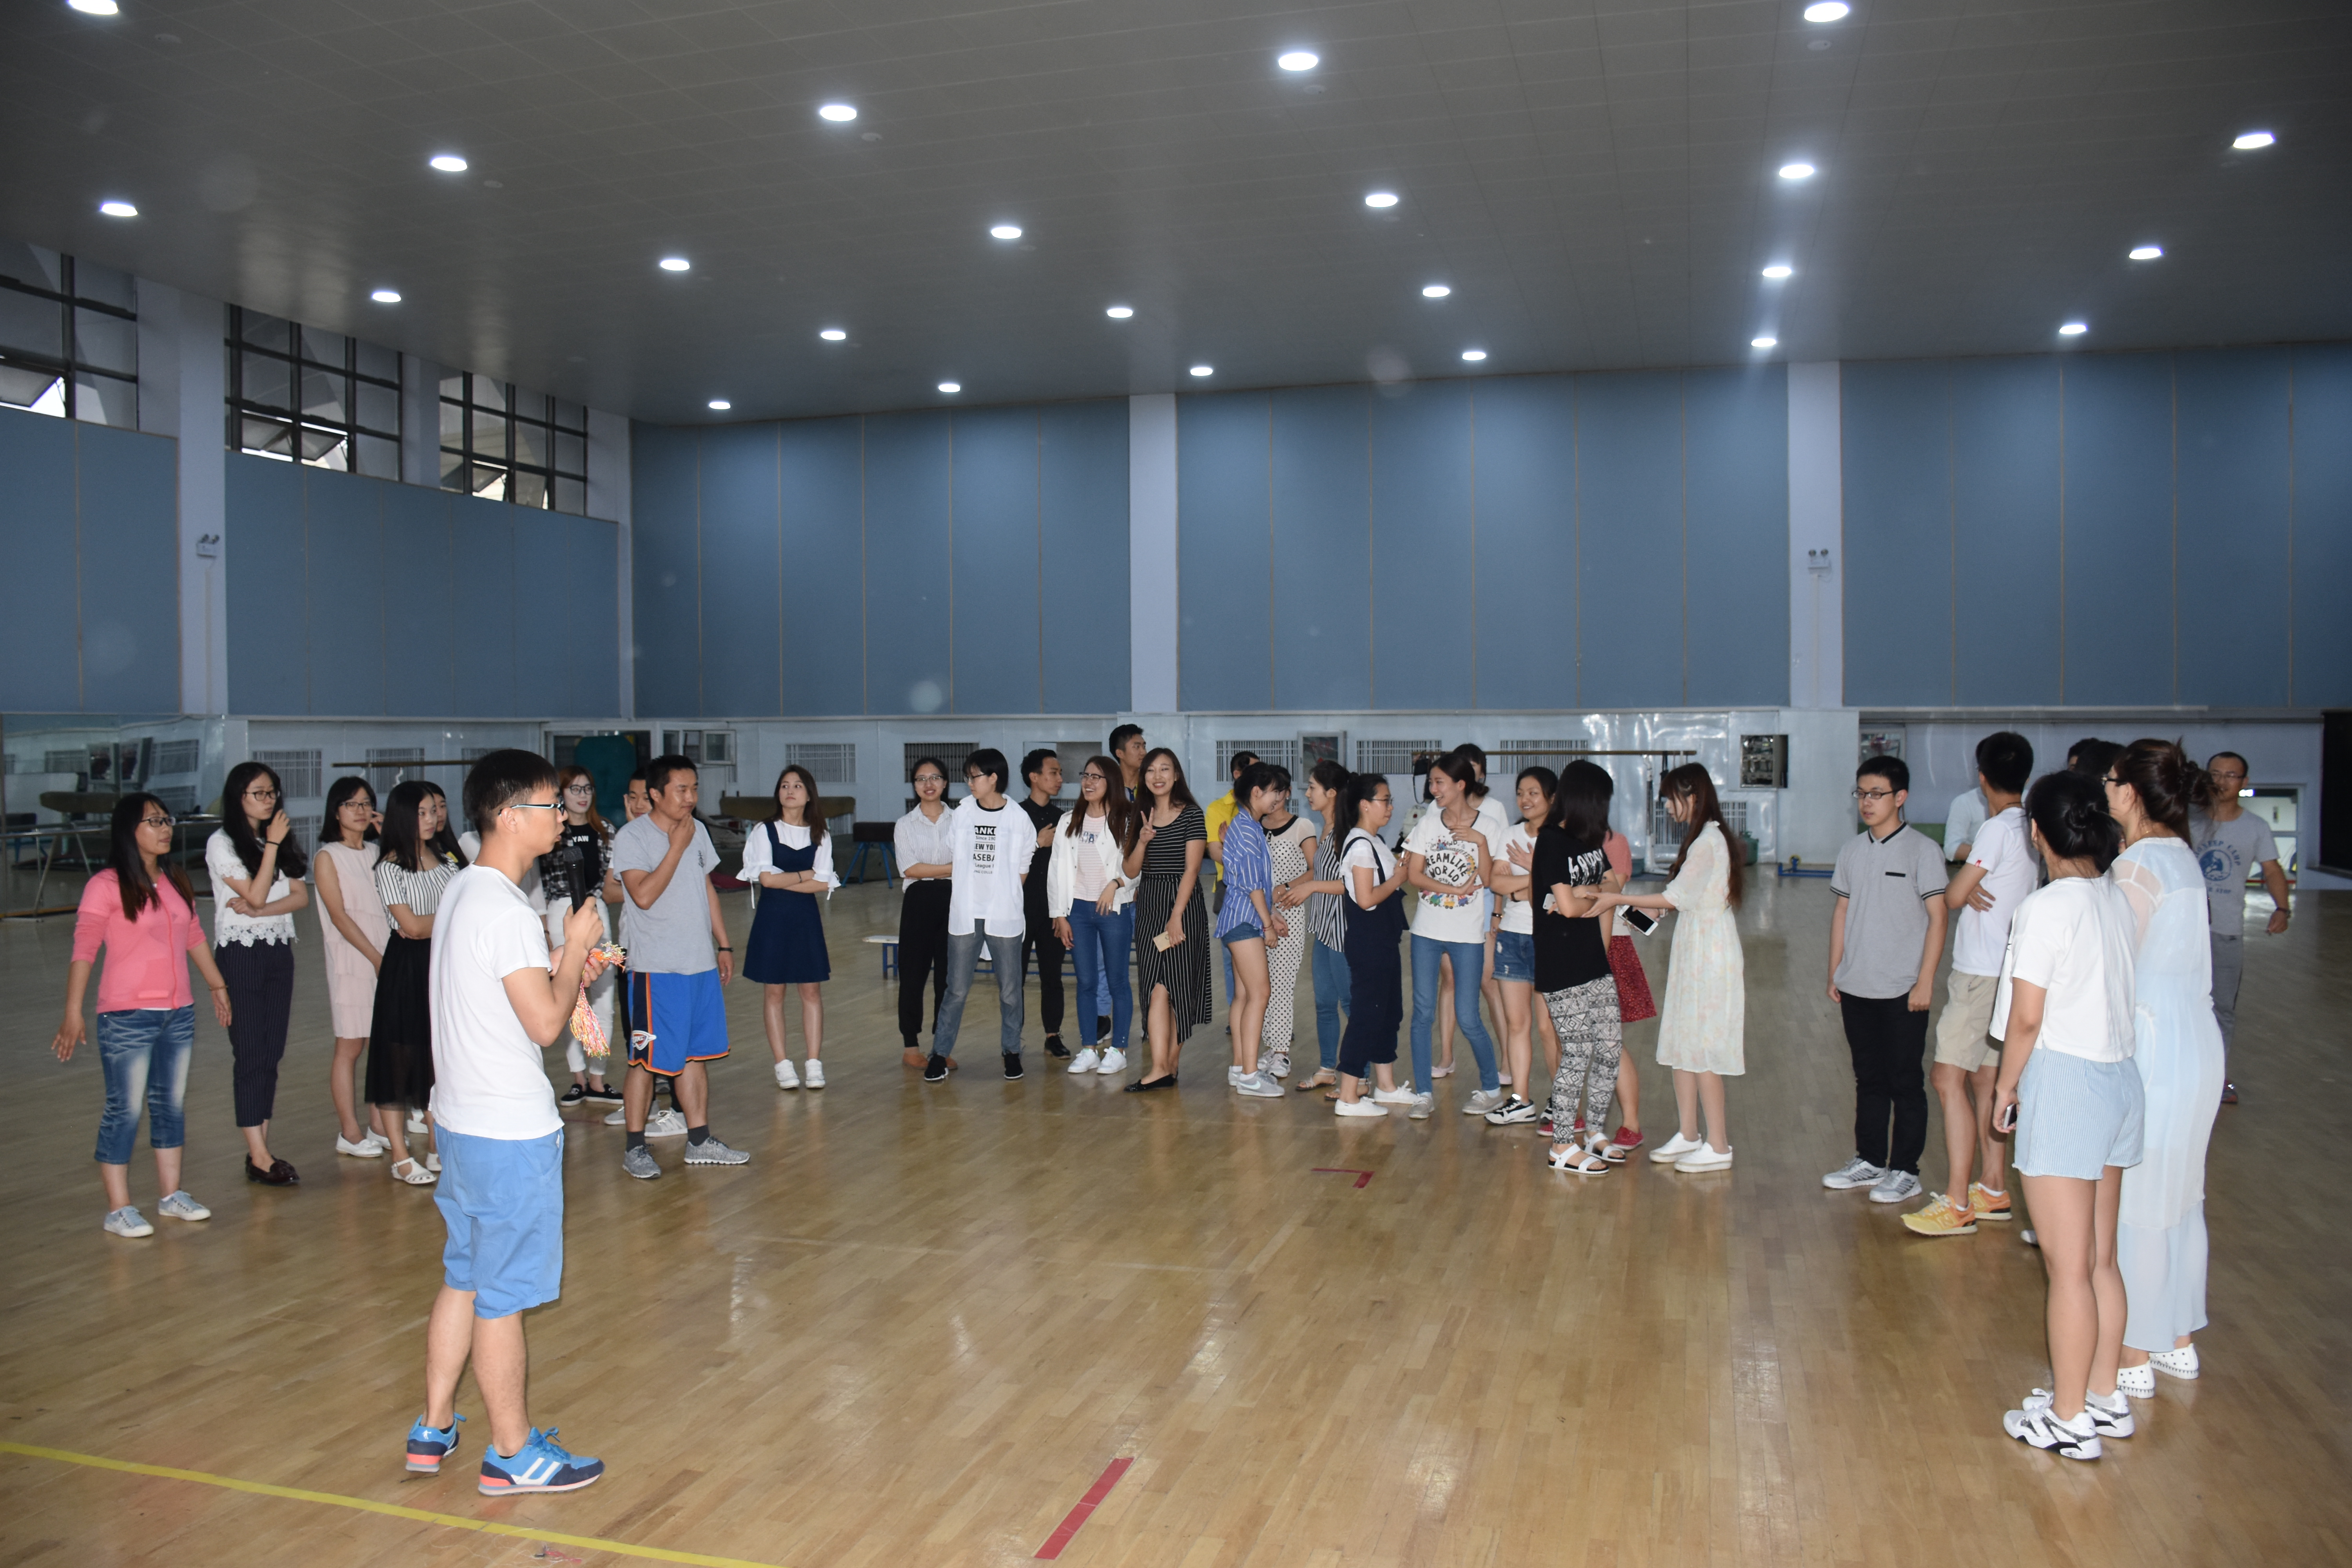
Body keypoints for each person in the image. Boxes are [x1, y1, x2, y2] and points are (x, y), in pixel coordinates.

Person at [403, 749, 608, 1495]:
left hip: (460, 1122)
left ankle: (433, 1428)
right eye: (551, 805)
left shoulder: (466, 889)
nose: (562, 817)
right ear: (511, 815)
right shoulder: (509, 910)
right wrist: (576, 950)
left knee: (464, 1275)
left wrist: (559, 963)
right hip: (508, 1132)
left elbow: (499, 991)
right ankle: (513, 1453)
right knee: (503, 1297)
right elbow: (549, 1024)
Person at [1990, 769, 2140, 1461]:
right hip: (2119, 1079)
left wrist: (2005, 1087)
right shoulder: (2113, 896)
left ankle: (2070, 1418)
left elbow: (2027, 1018)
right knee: (2102, 1257)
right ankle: (2104, 1396)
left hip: (2067, 1082)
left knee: (2067, 1267)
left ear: (2036, 833)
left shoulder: (2047, 908)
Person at [2105, 740, 2227, 1397]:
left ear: (2129, 792)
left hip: (2154, 1044)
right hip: (2197, 1041)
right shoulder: (2181, 855)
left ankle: (2131, 1353)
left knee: (2141, 1202)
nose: (2105, 791)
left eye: (2111, 781)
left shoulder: (2139, 865)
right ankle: (2177, 1339)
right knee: (2182, 1198)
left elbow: (2115, 963)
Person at [54, 795, 234, 1237]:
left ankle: (171, 1196)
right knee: (125, 1109)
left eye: (166, 820)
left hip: (178, 1013)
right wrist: (73, 1012)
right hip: (126, 1015)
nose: (165, 828)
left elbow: (193, 934)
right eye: (154, 821)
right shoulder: (105, 885)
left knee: (170, 1105)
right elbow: (84, 949)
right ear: (129, 830)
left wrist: (217, 985)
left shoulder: (174, 880)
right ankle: (118, 1209)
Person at [1905, 733, 2034, 1236]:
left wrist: (1966, 883)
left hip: (1980, 973)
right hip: (2008, 970)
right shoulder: (2030, 824)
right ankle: (1993, 1188)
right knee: (1986, 1080)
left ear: (1982, 778)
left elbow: (1955, 895)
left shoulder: (1997, 828)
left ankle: (1958, 1201)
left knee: (1946, 1077)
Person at [1590, 764, 1745, 1172]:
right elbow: (1679, 900)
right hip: (1694, 946)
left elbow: (1674, 898)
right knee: (1683, 1042)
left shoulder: (1708, 841)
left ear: (1693, 796)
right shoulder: (1701, 839)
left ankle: (1719, 1145)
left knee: (1703, 1047)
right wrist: (1637, 910)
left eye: (1670, 798)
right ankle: (1689, 1134)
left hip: (1710, 953)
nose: (1667, 807)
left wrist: (1615, 900)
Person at [612, 755, 749, 1177]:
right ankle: (635, 1147)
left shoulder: (698, 830)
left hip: (699, 964)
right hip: (656, 970)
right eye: (681, 790)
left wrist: (723, 944)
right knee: (646, 1060)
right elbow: (643, 895)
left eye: (694, 789)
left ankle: (699, 1139)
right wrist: (675, 847)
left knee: (695, 1054)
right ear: (656, 794)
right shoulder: (632, 837)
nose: (691, 797)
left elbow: (705, 887)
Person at [1822, 755, 1950, 1205]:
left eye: (1876, 794)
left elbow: (1938, 918)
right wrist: (1835, 970)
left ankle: (1906, 1171)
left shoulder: (1923, 851)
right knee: (1868, 1078)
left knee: (1905, 1081)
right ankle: (1871, 1160)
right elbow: (1842, 911)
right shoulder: (1852, 851)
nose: (1866, 802)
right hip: (1857, 984)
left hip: (1903, 988)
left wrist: (1925, 981)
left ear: (1901, 797)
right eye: (1861, 793)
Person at [208, 760, 310, 1187]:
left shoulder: (278, 838)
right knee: (250, 1052)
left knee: (272, 1052)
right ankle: (260, 1154)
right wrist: (270, 847)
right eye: (258, 793)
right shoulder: (222, 843)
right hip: (240, 953)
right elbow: (253, 891)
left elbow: (300, 897)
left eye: (272, 793)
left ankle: (260, 1151)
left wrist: (260, 911)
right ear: (239, 798)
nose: (268, 800)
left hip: (277, 949)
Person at [371, 780, 466, 1186]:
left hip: (444, 962)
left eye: (434, 811)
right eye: (422, 812)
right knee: (399, 1061)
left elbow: (455, 912)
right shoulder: (389, 867)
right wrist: (450, 917)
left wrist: (435, 923)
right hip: (408, 968)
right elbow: (409, 927)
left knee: (438, 1058)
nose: (431, 819)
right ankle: (400, 1156)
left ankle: (437, 1145)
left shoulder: (446, 859)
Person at [925, 748, 1039, 1083]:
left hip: (1003, 915)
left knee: (1010, 990)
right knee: (956, 989)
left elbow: (1022, 870)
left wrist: (999, 895)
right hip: (966, 913)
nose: (970, 783)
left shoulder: (1018, 818)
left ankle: (1012, 1051)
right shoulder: (962, 813)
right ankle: (939, 1054)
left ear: (994, 778)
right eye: (968, 778)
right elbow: (953, 854)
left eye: (974, 777)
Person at [1401, 751, 1503, 1116]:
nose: (1433, 789)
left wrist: (1480, 842)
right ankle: (1424, 1095)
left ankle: (1492, 1089)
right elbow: (1414, 875)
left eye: (1439, 782)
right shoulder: (1429, 824)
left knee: (1469, 1016)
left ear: (1461, 785)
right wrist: (1452, 890)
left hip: (1468, 934)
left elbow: (1490, 880)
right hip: (1427, 931)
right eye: (1431, 782)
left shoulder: (1489, 826)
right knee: (1422, 1014)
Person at [1535, 761, 1624, 1174]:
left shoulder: (1590, 840)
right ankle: (1561, 1145)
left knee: (1609, 1047)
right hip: (1561, 963)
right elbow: (1568, 908)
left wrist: (1585, 892)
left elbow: (1614, 885)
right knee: (1578, 1050)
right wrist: (1591, 894)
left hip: (1593, 960)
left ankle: (1595, 1133)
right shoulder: (1551, 841)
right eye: (1602, 800)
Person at [2193, 750, 2290, 1103]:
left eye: (2230, 775)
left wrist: (2282, 908)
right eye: (2215, 774)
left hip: (2226, 931)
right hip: (2186, 932)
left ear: (2244, 783)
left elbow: (2272, 870)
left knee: (2222, 1008)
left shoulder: (2255, 827)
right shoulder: (2188, 821)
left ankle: (2215, 1078)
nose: (2222, 781)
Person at [741, 763, 836, 1091]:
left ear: (809, 795)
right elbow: (766, 880)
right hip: (773, 918)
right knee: (774, 991)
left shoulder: (821, 834)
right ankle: (782, 1064)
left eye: (797, 786)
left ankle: (814, 1063)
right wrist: (805, 875)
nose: (790, 791)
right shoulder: (763, 831)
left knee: (811, 991)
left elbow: (824, 883)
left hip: (805, 919)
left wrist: (787, 880)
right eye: (784, 785)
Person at [1123, 748, 1212, 1091]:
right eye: (1151, 770)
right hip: (1150, 906)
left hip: (1182, 908)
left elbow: (1192, 869)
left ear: (1176, 776)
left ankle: (1168, 1064)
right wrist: (1143, 841)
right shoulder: (1140, 816)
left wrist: (1176, 917)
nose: (1157, 776)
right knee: (1155, 987)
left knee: (1178, 986)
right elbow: (1131, 870)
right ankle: (1161, 1067)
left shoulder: (1192, 815)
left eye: (1165, 769)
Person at [600, 769, 683, 1133]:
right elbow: (610, 891)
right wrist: (644, 885)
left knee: (675, 1036)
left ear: (659, 799)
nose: (637, 804)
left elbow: (671, 888)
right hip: (630, 950)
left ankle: (680, 1109)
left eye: (644, 798)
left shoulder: (673, 838)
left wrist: (646, 884)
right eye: (631, 797)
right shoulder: (627, 839)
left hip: (667, 952)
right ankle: (643, 1105)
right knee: (636, 1034)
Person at [315, 776, 392, 1158]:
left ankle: (378, 1124)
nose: (361, 811)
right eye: (352, 804)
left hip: (384, 952)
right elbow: (339, 915)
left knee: (380, 1044)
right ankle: (349, 1132)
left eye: (366, 803)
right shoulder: (328, 856)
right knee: (350, 1044)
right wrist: (375, 958)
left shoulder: (379, 852)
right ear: (336, 811)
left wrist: (390, 836)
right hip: (352, 957)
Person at [1048, 755, 1137, 1076]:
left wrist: (1117, 884)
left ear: (1111, 781)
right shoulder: (1068, 821)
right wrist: (1059, 915)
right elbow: (1056, 869)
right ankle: (1088, 1049)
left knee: (1117, 981)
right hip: (1079, 911)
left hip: (1113, 908)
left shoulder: (1127, 819)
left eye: (1096, 777)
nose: (1088, 782)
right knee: (1085, 981)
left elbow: (1138, 866)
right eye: (1085, 776)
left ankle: (1119, 1050)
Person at [1332, 773, 1415, 1117]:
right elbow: (1366, 899)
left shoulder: (1374, 840)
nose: (1390, 806)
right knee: (1367, 1015)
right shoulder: (1361, 846)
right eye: (1385, 800)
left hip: (1383, 940)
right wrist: (1399, 878)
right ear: (1365, 805)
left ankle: (1386, 1086)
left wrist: (1399, 871)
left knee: (1388, 1012)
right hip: (1369, 942)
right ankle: (1348, 1096)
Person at [1484, 767, 1556, 1126]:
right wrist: (1535, 883)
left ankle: (1562, 1101)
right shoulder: (1510, 834)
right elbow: (1496, 882)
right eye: (1520, 793)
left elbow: (1563, 887)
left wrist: (1523, 885)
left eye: (1534, 793)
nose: (1525, 800)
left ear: (1552, 799)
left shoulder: (1561, 837)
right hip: (1512, 936)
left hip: (1549, 937)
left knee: (1547, 1028)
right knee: (1517, 1025)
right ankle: (1520, 1101)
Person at [1215, 761, 1290, 1098]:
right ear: (1257, 792)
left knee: (1245, 995)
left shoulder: (1247, 825)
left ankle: (1239, 1068)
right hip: (1244, 922)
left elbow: (1253, 881)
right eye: (1276, 792)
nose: (1279, 799)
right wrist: (1267, 923)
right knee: (1260, 994)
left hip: (1240, 919)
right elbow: (1252, 886)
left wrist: (1271, 916)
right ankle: (1249, 1075)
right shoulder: (1247, 829)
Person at [1282, 759, 1354, 1093]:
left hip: (1344, 932)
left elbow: (1352, 885)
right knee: (1324, 1003)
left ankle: (1359, 1075)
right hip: (1323, 930)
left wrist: (1310, 887)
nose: (1308, 793)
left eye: (1313, 787)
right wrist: (1295, 885)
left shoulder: (1348, 833)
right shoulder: (1324, 829)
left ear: (1332, 793)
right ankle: (1328, 1068)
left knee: (1351, 1004)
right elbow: (1319, 873)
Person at [894, 757, 956, 1068]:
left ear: (945, 783)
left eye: (935, 778)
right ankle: (911, 1047)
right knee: (913, 975)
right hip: (918, 903)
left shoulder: (961, 821)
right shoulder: (905, 825)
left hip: (954, 901)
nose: (928, 784)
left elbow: (970, 864)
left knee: (948, 977)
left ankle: (941, 1047)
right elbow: (910, 869)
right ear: (914, 786)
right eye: (921, 779)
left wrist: (940, 870)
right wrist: (954, 867)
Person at [1598, 822, 1651, 1156]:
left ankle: (1631, 1124)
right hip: (1572, 942)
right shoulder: (1561, 839)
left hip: (1611, 944)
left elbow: (1609, 894)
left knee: (1610, 1038)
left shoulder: (1614, 842)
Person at [1258, 770, 1315, 1080]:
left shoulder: (1302, 826)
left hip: (1289, 914)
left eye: (1280, 791)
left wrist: (1288, 887)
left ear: (1289, 793)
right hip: (1258, 913)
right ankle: (1270, 1046)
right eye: (1269, 791)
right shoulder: (1255, 826)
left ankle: (1281, 1052)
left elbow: (1316, 869)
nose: (1275, 798)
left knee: (1281, 984)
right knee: (1260, 986)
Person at [1016, 749, 1072, 1059]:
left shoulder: (1064, 819)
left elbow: (1069, 867)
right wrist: (1037, 844)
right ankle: (1012, 1038)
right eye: (1053, 773)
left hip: (1052, 911)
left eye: (1060, 773)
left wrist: (1062, 911)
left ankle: (1053, 1035)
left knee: (1053, 976)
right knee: (1015, 978)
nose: (1059, 779)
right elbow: (1008, 862)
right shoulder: (1014, 815)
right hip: (1018, 911)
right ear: (1034, 777)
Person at [1203, 749, 1261, 1018]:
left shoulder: (1263, 806)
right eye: (1253, 771)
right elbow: (1216, 852)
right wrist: (1237, 852)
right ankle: (1237, 1014)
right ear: (1238, 774)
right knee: (1233, 959)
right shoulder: (1218, 808)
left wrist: (1232, 847)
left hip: (1262, 886)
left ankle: (1263, 1015)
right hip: (1229, 890)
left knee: (1264, 957)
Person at [1944, 782, 1987, 864]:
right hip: (1977, 866)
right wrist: (1990, 854)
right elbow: (1952, 849)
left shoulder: (2014, 801)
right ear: (1982, 777)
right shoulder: (1965, 802)